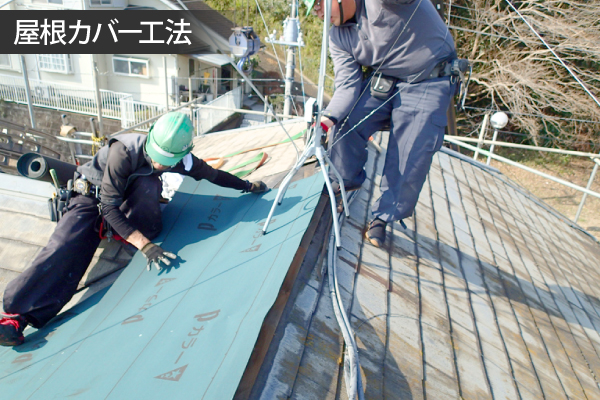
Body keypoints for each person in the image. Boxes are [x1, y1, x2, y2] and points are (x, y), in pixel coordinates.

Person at [0, 112, 267, 346]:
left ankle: (120, 231)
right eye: (157, 157)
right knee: (64, 245)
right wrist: (145, 246)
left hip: (129, 199)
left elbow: (214, 175)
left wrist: (247, 186)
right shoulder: (124, 151)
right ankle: (17, 316)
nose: (161, 163)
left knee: (149, 187)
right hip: (94, 197)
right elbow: (108, 206)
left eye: (167, 161)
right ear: (150, 139)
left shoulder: (184, 160)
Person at [307, 0, 458, 247]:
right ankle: (344, 182)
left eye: (319, 4)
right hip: (386, 79)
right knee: (346, 123)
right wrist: (327, 119)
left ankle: (383, 217)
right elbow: (347, 85)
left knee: (411, 153)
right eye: (313, 10)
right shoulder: (338, 36)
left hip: (429, 78)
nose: (317, 13)